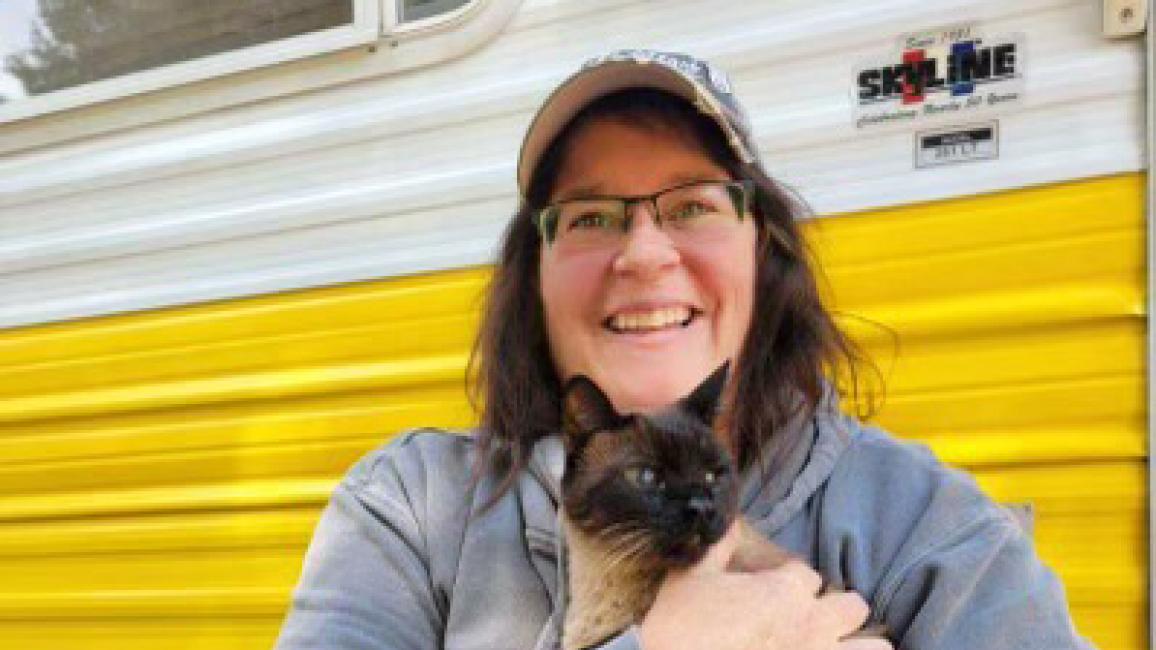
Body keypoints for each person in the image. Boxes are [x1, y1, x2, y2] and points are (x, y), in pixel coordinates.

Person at [273, 50, 1093, 650]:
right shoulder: (411, 512)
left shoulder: (925, 524)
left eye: (693, 206)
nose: (643, 254)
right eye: (591, 217)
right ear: (535, 278)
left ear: (762, 253)